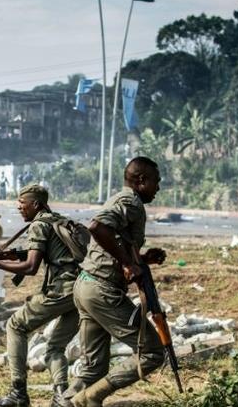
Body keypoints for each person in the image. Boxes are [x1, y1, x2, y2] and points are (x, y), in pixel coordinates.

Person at [62, 156, 166, 407]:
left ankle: (66, 402)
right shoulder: (130, 201)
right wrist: (129, 263)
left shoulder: (123, 200)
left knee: (93, 369)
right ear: (141, 181)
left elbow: (113, 241)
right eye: (155, 182)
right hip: (102, 291)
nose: (158, 188)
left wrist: (140, 259)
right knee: (152, 353)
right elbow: (98, 227)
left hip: (88, 285)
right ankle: (92, 397)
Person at [0, 185, 81, 407]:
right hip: (81, 292)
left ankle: (18, 393)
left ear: (35, 204)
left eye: (22, 202)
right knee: (55, 346)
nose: (18, 207)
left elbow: (31, 267)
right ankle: (61, 396)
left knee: (15, 326)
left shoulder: (39, 225)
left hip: (61, 290)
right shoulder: (59, 220)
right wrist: (11, 256)